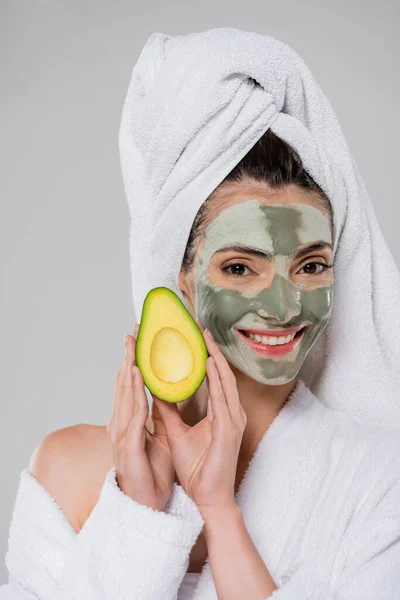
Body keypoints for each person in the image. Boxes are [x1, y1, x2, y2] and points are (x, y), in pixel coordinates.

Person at [1, 27, 400, 600]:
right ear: (183, 281)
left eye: (311, 266)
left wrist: (219, 510)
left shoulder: (379, 481)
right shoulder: (68, 472)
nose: (285, 306)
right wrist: (139, 511)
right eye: (241, 268)